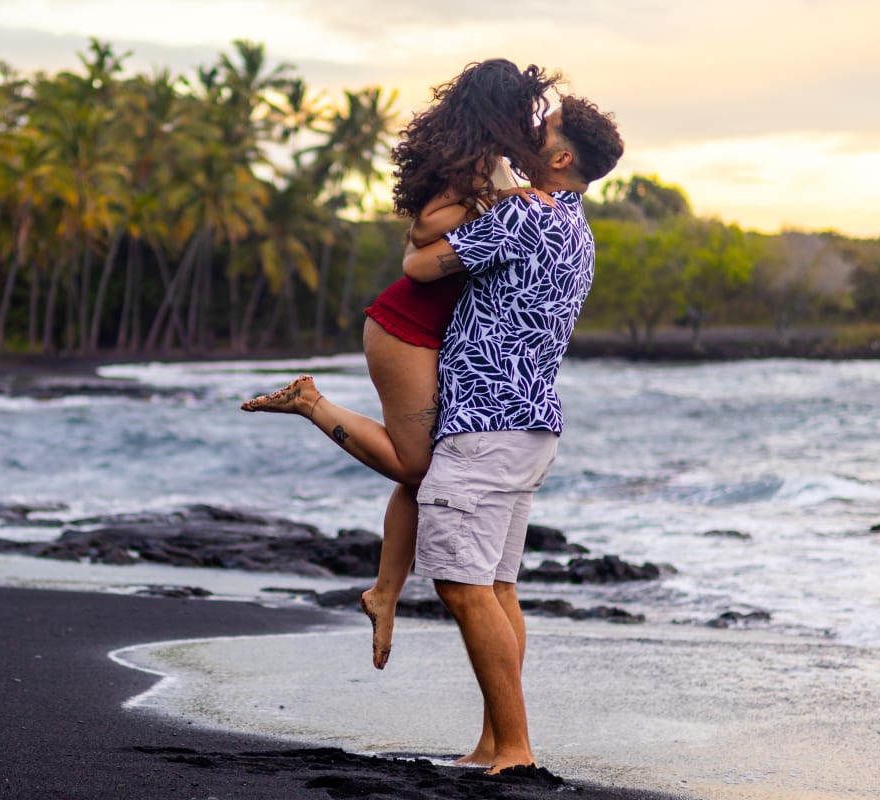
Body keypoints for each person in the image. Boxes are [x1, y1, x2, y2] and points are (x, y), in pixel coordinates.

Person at [241, 59, 558, 671]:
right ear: (501, 111)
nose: (531, 120)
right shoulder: (470, 167)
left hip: (434, 332)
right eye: (524, 108)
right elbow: (423, 230)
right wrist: (496, 200)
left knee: (427, 473)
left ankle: (384, 593)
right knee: (418, 465)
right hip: (405, 328)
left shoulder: (493, 165)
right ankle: (310, 402)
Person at [401, 95, 624, 773]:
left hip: (486, 424)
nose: (529, 133)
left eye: (542, 130)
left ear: (561, 157)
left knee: (462, 586)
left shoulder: (528, 214)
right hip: (528, 426)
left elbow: (419, 264)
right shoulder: (576, 228)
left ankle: (516, 748)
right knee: (495, 588)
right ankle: (494, 744)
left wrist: (459, 190)